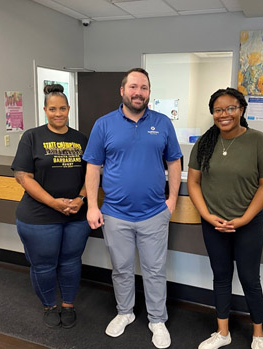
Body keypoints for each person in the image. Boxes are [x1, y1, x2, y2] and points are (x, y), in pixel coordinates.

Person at [83, 68, 182, 349]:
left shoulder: (162, 123)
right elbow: (93, 166)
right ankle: (124, 313)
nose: (139, 92)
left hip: (154, 214)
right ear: (123, 90)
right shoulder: (103, 125)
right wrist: (93, 205)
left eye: (144, 88)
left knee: (154, 270)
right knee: (121, 269)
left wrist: (172, 200)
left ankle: (157, 320)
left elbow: (174, 162)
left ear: (149, 92)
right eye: (134, 87)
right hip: (115, 213)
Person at [187, 88, 263, 349]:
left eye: (230, 108)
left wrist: (244, 219)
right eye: (218, 110)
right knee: (221, 276)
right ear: (212, 113)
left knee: (250, 278)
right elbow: (193, 182)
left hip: (248, 224)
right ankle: (222, 332)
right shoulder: (204, 143)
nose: (224, 114)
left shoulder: (259, 140)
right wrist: (207, 215)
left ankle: (258, 333)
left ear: (241, 109)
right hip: (213, 223)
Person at [11, 84, 91, 329]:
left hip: (76, 215)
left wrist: (80, 199)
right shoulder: (32, 137)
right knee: (44, 265)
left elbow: (92, 174)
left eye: (63, 108)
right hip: (39, 216)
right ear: (45, 110)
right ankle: (49, 306)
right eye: (53, 109)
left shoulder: (80, 139)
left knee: (70, 261)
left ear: (69, 109)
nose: (58, 113)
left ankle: (67, 304)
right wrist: (53, 203)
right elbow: (23, 176)